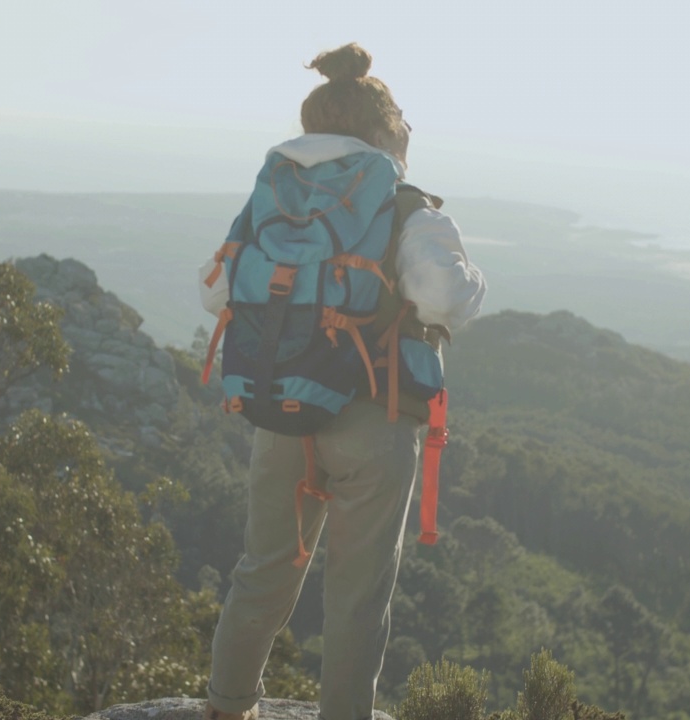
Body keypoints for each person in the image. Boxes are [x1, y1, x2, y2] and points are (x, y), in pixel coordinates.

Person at [199, 42, 486, 720]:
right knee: (358, 595)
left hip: (281, 407)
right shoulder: (404, 203)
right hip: (373, 414)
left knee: (264, 570)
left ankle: (226, 704)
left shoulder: (270, 197)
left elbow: (216, 296)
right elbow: (446, 298)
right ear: (387, 131)